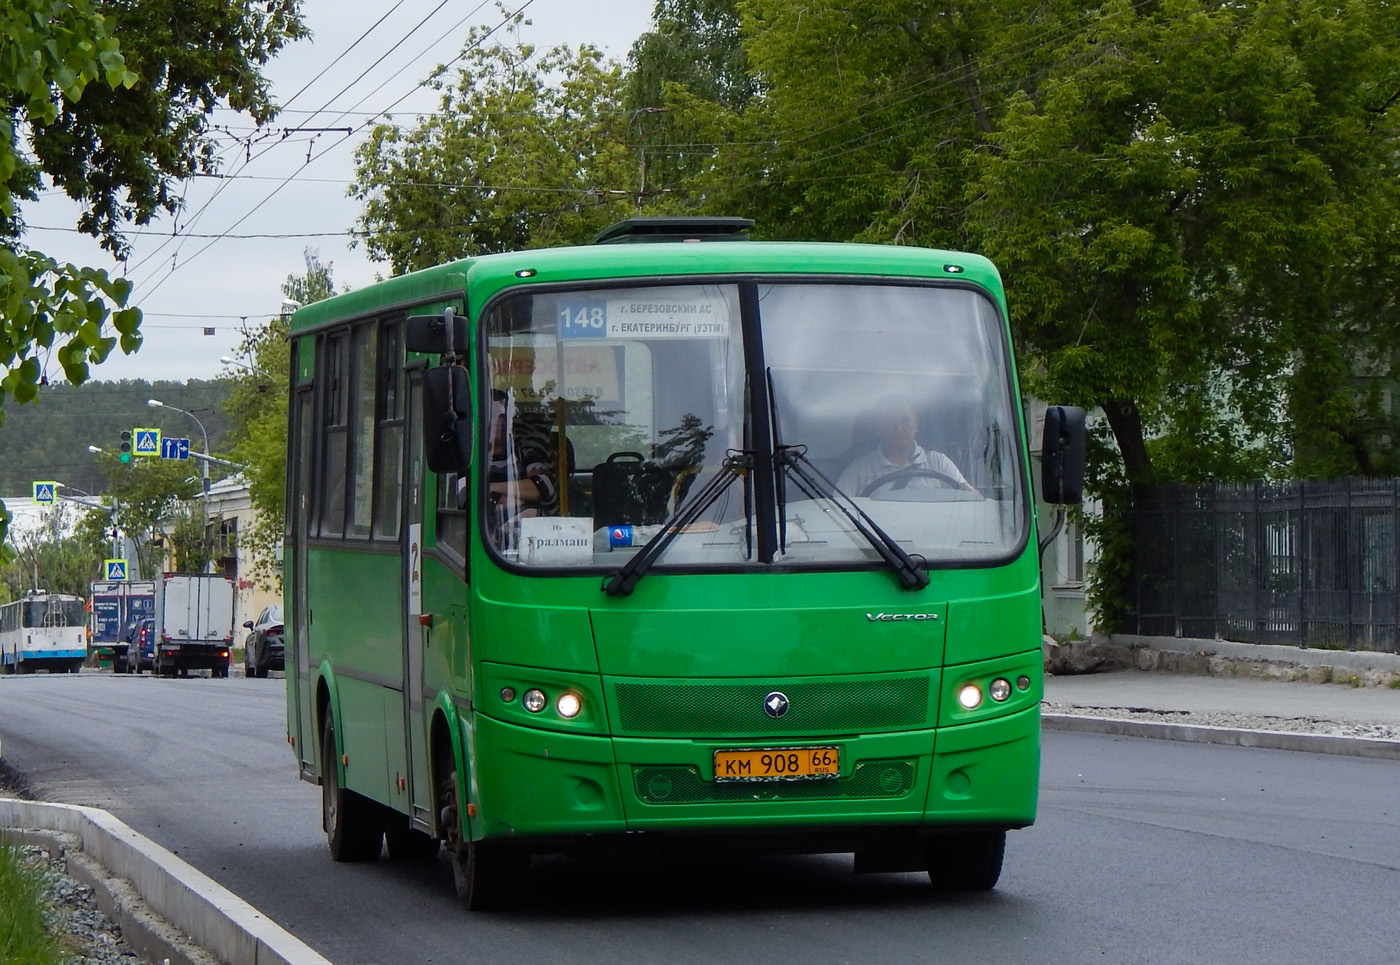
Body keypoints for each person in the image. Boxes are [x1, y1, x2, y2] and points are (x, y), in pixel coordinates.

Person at [837, 394, 976, 496]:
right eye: (890, 421)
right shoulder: (857, 471)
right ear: (879, 428)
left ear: (916, 425)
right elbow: (837, 512)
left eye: (904, 420)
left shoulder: (938, 463)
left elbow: (970, 500)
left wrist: (969, 493)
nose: (898, 428)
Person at [485, 390, 560, 544]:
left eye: (503, 418)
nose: (498, 424)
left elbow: (544, 486)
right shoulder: (470, 457)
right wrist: (524, 497)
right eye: (492, 417)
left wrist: (491, 487)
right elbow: (465, 498)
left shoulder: (523, 452)